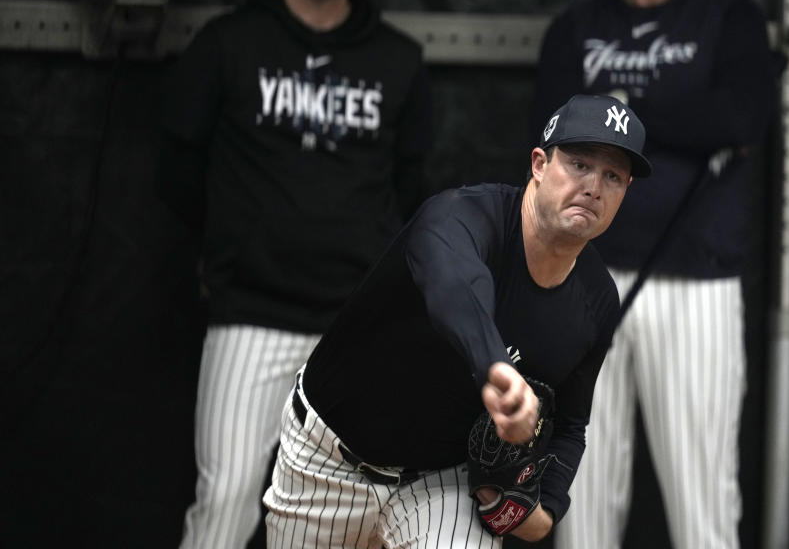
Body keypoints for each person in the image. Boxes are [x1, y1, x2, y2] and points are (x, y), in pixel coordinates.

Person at [262, 94, 652, 548]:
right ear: (540, 164)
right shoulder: (460, 216)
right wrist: (496, 367)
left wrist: (546, 511)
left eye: (613, 177)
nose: (594, 187)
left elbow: (570, 422)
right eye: (580, 164)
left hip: (442, 483)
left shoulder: (597, 299)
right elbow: (455, 287)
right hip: (327, 458)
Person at [155, 0, 432, 547]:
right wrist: (238, 245)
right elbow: (176, 175)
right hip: (251, 313)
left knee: (352, 513)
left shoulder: (399, 60)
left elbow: (411, 190)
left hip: (356, 324)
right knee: (224, 498)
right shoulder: (229, 44)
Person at [532, 0, 778, 548]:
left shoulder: (730, 17)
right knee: (578, 497)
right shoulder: (575, 29)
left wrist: (613, 120)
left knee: (702, 497)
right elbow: (551, 136)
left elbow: (740, 118)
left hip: (695, 279)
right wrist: (684, 122)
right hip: (583, 277)